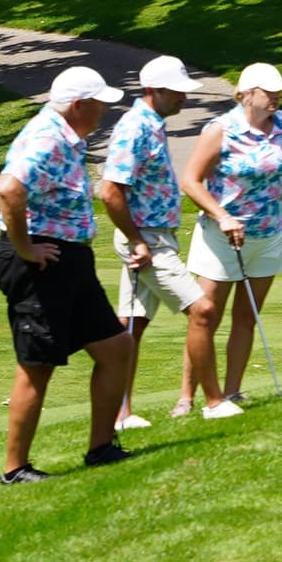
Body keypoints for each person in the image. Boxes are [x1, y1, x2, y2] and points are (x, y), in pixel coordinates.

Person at [0, 64, 136, 484]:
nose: (103, 114)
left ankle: (101, 448)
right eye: (99, 105)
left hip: (70, 258)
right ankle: (14, 469)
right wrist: (25, 248)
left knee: (116, 348)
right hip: (41, 261)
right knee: (37, 365)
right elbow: (9, 189)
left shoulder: (68, 137)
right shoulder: (46, 138)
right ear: (78, 105)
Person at [178, 63, 282, 417]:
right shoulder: (220, 130)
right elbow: (191, 182)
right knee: (205, 318)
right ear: (246, 94)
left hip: (268, 235)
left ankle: (232, 392)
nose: (276, 96)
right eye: (269, 91)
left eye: (279, 91)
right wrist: (223, 216)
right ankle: (187, 396)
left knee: (247, 317)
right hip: (222, 238)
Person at [96, 56, 202, 429]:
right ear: (153, 90)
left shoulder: (153, 124)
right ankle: (218, 399)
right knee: (201, 310)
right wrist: (136, 240)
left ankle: (121, 415)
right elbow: (111, 192)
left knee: (131, 327)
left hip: (153, 238)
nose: (183, 99)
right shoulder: (135, 127)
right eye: (177, 91)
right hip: (148, 243)